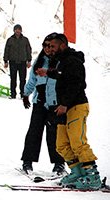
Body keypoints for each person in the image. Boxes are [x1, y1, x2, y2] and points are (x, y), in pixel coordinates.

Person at [36, 33, 101, 190]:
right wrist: (47, 72)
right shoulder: (62, 62)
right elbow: (61, 75)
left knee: (78, 142)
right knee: (62, 144)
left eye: (52, 46)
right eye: (47, 46)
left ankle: (93, 177)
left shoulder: (72, 61)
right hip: (64, 108)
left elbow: (75, 83)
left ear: (62, 45)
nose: (49, 49)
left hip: (76, 106)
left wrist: (64, 104)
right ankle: (77, 172)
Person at [20, 34, 65, 175]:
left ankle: (59, 163)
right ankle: (27, 161)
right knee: (34, 132)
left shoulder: (60, 61)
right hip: (39, 101)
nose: (47, 48)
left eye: (49, 45)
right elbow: (32, 79)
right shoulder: (39, 61)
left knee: (54, 134)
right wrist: (26, 94)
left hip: (54, 103)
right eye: (44, 45)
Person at [3, 24, 32, 99]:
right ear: (14, 30)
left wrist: (29, 60)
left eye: (19, 29)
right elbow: (6, 51)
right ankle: (13, 94)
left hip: (23, 62)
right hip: (13, 62)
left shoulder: (25, 40)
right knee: (13, 79)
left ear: (21, 30)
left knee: (23, 79)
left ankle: (23, 94)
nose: (17, 31)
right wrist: (5, 61)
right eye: (16, 29)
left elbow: (28, 50)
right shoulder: (10, 40)